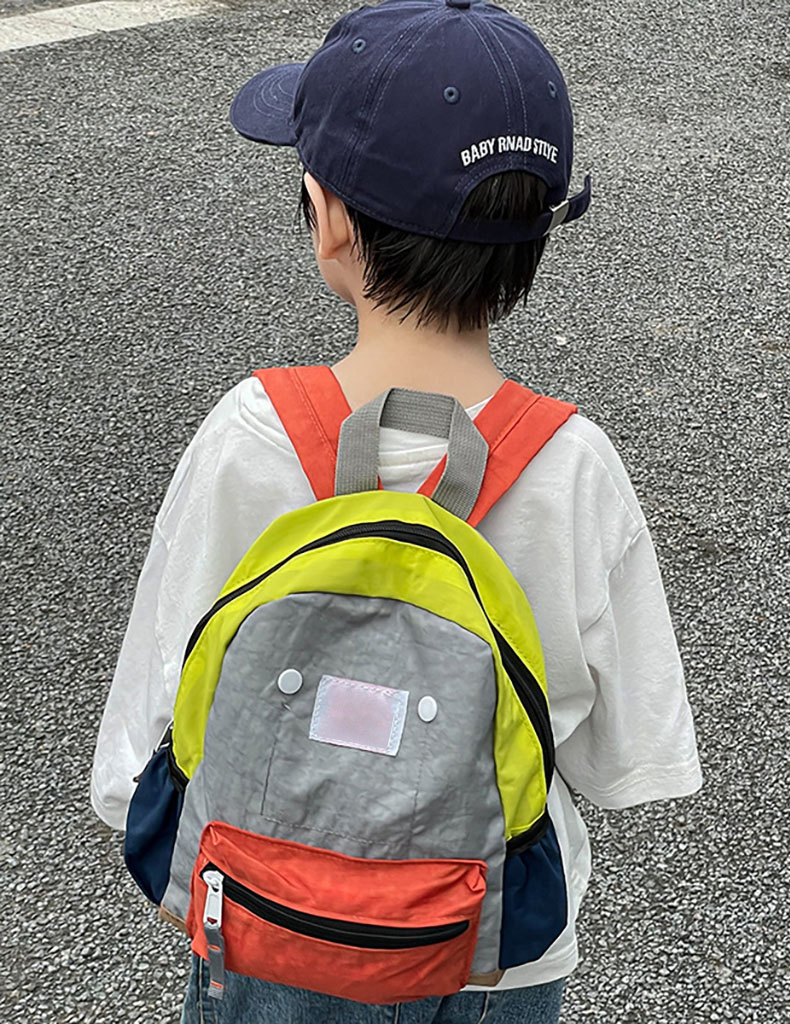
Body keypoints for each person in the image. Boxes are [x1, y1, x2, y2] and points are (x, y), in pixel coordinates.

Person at [90, 1, 703, 1021]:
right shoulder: (574, 465)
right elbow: (623, 756)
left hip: (266, 923)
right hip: (490, 949)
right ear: (537, 234)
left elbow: (146, 738)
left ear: (328, 219)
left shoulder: (250, 435)